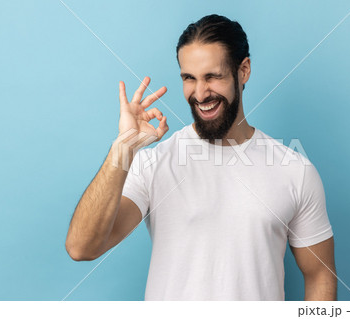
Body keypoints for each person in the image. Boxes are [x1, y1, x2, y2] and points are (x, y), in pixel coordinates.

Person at [65, 14, 336, 301]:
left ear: (243, 71)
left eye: (213, 77)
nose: (200, 93)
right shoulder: (153, 163)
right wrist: (123, 149)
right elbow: (83, 248)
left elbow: (320, 275)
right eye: (189, 78)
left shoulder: (294, 171)